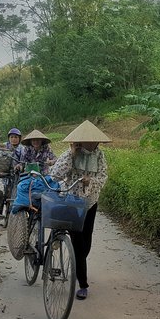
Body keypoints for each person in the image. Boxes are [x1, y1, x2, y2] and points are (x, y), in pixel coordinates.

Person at [50, 120, 110, 300]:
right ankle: (83, 283)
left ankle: (77, 264)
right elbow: (56, 174)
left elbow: (103, 176)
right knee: (77, 242)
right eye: (87, 142)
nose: (91, 145)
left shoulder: (99, 156)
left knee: (86, 242)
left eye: (94, 142)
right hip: (72, 202)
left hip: (90, 202)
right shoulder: (71, 154)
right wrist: (70, 154)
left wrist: (90, 181)